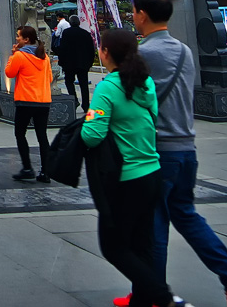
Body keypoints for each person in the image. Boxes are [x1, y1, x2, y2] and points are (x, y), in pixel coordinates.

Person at [111, 0, 227, 307]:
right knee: (186, 214)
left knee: (153, 226)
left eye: (134, 12)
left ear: (142, 15)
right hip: (186, 149)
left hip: (156, 151)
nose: (133, 17)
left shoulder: (142, 54)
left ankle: (151, 296)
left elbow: (126, 102)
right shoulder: (184, 51)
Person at [82, 28, 179, 307]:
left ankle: (163, 297)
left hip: (125, 178)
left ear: (106, 53)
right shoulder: (145, 82)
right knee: (143, 243)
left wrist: (87, 121)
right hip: (152, 171)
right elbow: (151, 117)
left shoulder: (107, 87)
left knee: (113, 246)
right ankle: (142, 301)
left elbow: (92, 135)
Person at [5, 25, 52, 183]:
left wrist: (13, 55)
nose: (17, 38)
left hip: (25, 100)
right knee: (42, 136)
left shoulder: (20, 56)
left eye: (19, 36)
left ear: (26, 39)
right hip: (43, 101)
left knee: (20, 133)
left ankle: (27, 168)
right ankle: (45, 172)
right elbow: (50, 78)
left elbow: (9, 73)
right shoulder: (44, 56)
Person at [57, 15, 96, 111]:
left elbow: (62, 48)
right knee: (84, 84)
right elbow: (91, 50)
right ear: (79, 23)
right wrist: (90, 62)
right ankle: (86, 105)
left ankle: (74, 100)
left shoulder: (66, 33)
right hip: (83, 63)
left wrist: (61, 62)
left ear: (70, 23)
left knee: (69, 82)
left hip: (69, 63)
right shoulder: (85, 33)